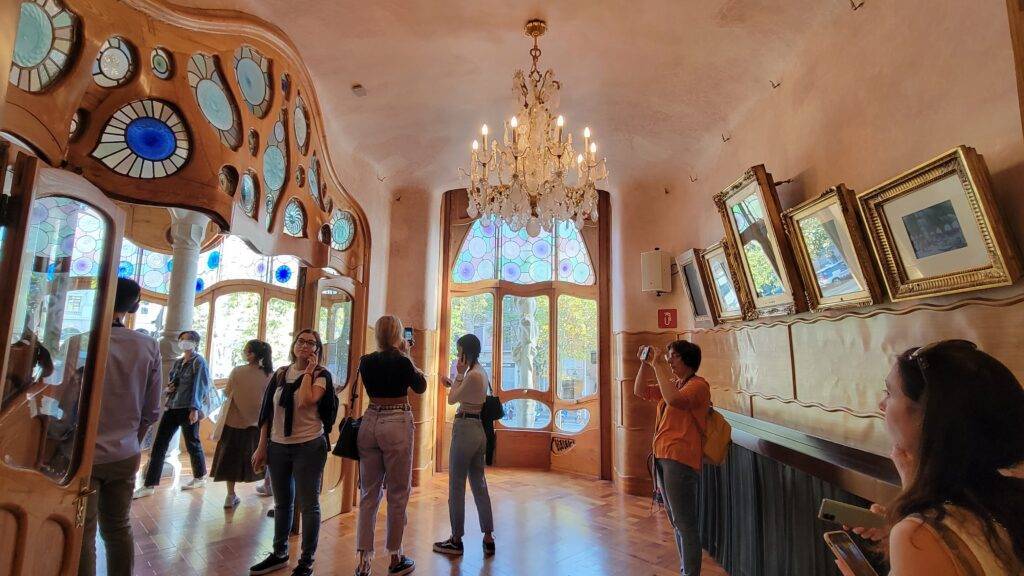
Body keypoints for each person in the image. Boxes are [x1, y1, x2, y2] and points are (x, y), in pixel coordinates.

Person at [838, 340, 1024, 575]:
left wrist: (910, 525)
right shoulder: (1009, 499)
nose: (881, 404)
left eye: (890, 393)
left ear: (928, 419)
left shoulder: (918, 537)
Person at [79, 278, 162, 576]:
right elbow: (152, 410)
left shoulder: (81, 342)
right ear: (134, 305)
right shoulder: (148, 346)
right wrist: (134, 441)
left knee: (82, 533)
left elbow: (65, 404)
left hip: (82, 454)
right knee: (118, 527)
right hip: (125, 451)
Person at [249, 330, 334, 576]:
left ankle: (306, 560)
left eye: (311, 343)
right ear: (294, 344)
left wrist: (308, 371)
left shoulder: (321, 375)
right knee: (282, 502)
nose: (304, 346)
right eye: (301, 341)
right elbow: (268, 412)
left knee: (308, 505)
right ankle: (279, 553)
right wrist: (262, 444)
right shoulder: (280, 374)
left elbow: (306, 401)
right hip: (278, 445)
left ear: (318, 349)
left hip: (308, 445)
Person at [353, 315, 427, 576]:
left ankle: (363, 561)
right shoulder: (403, 361)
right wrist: (408, 355)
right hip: (396, 421)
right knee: (397, 492)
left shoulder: (365, 361)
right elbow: (421, 386)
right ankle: (395, 557)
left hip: (370, 421)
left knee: (368, 494)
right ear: (398, 335)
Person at [633, 340, 711, 576]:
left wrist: (657, 365)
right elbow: (639, 391)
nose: (669, 360)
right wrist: (645, 364)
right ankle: (685, 569)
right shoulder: (676, 384)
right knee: (676, 521)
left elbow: (674, 401)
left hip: (680, 459)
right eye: (668, 356)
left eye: (673, 356)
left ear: (687, 360)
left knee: (685, 524)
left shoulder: (698, 385)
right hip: (663, 457)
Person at [433, 333, 496, 557]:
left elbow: (452, 400)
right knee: (479, 483)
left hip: (465, 428)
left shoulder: (469, 375)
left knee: (456, 485)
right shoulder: (480, 372)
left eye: (459, 351)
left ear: (465, 352)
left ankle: (456, 539)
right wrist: (456, 381)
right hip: (478, 429)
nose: (457, 355)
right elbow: (466, 395)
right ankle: (488, 537)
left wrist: (457, 377)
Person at [134, 330, 211, 498]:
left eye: (188, 340)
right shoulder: (178, 363)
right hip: (173, 406)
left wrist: (194, 409)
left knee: (192, 443)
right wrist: (169, 389)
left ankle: (199, 476)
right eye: (182, 339)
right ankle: (149, 484)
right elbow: (173, 381)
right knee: (160, 444)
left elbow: (200, 385)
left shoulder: (199, 362)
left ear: (196, 343)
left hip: (188, 408)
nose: (184, 342)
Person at [211, 340, 274, 508]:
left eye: (245, 350)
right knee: (266, 458)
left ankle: (230, 495)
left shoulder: (238, 371)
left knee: (230, 460)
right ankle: (268, 486)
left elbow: (227, 392)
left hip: (235, 422)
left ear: (251, 354)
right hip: (260, 425)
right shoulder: (270, 374)